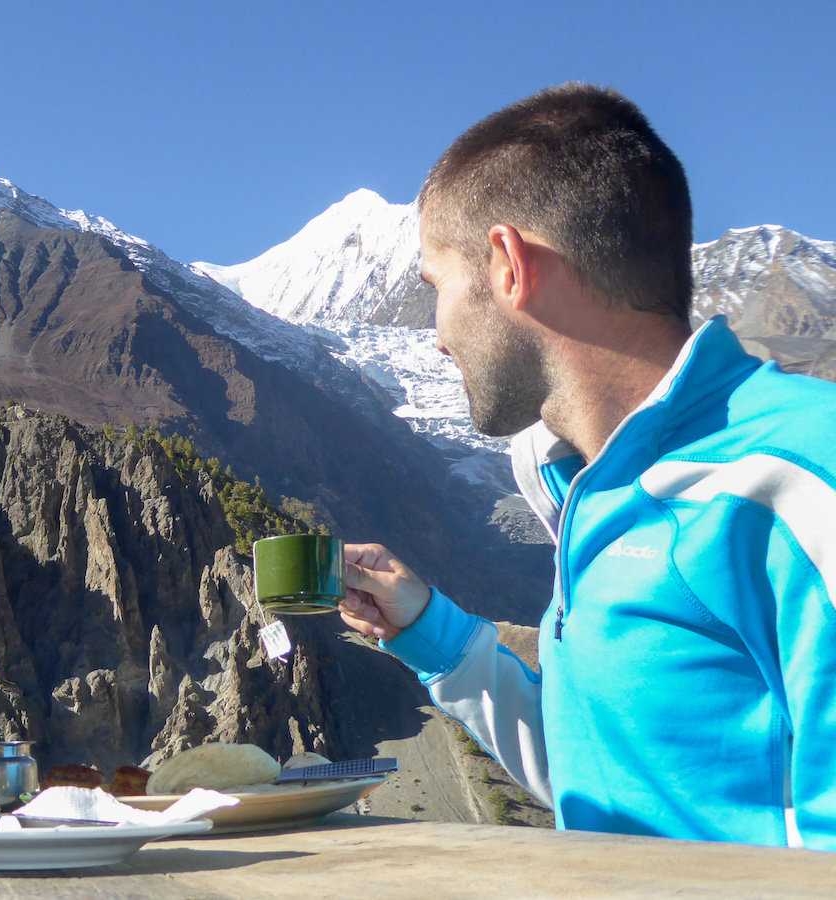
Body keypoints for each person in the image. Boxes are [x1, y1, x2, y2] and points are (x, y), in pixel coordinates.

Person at [337, 83, 836, 850]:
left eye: (437, 288)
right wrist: (427, 629)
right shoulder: (593, 490)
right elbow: (609, 771)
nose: (437, 337)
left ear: (508, 265)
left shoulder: (798, 481)